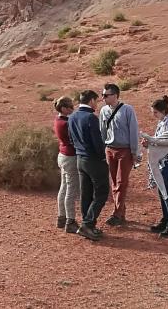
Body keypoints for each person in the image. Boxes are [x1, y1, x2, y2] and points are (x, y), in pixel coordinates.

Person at [67, 90, 110, 241]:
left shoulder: (72, 117)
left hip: (80, 159)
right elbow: (97, 143)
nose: (97, 104)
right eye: (96, 101)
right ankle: (87, 224)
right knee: (102, 192)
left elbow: (71, 139)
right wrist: (103, 158)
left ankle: (87, 225)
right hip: (93, 160)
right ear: (91, 100)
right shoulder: (91, 117)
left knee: (86, 193)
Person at [99, 83, 140, 226]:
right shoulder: (103, 110)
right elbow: (102, 131)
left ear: (115, 95)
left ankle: (117, 214)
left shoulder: (128, 110)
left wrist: (135, 152)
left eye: (106, 95)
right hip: (110, 149)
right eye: (103, 95)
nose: (103, 98)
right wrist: (103, 148)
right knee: (115, 183)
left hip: (125, 150)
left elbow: (134, 131)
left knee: (121, 182)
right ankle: (121, 213)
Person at [140, 95, 168, 238]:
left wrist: (151, 140)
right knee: (162, 194)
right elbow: (159, 141)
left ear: (162, 110)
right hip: (162, 164)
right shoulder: (162, 122)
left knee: (167, 194)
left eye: (155, 112)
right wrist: (149, 143)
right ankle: (166, 220)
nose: (154, 115)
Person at [53, 96, 78, 234]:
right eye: (70, 107)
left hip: (62, 155)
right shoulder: (66, 123)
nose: (72, 110)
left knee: (64, 187)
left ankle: (61, 217)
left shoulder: (58, 120)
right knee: (71, 189)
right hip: (70, 157)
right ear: (63, 108)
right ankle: (70, 221)